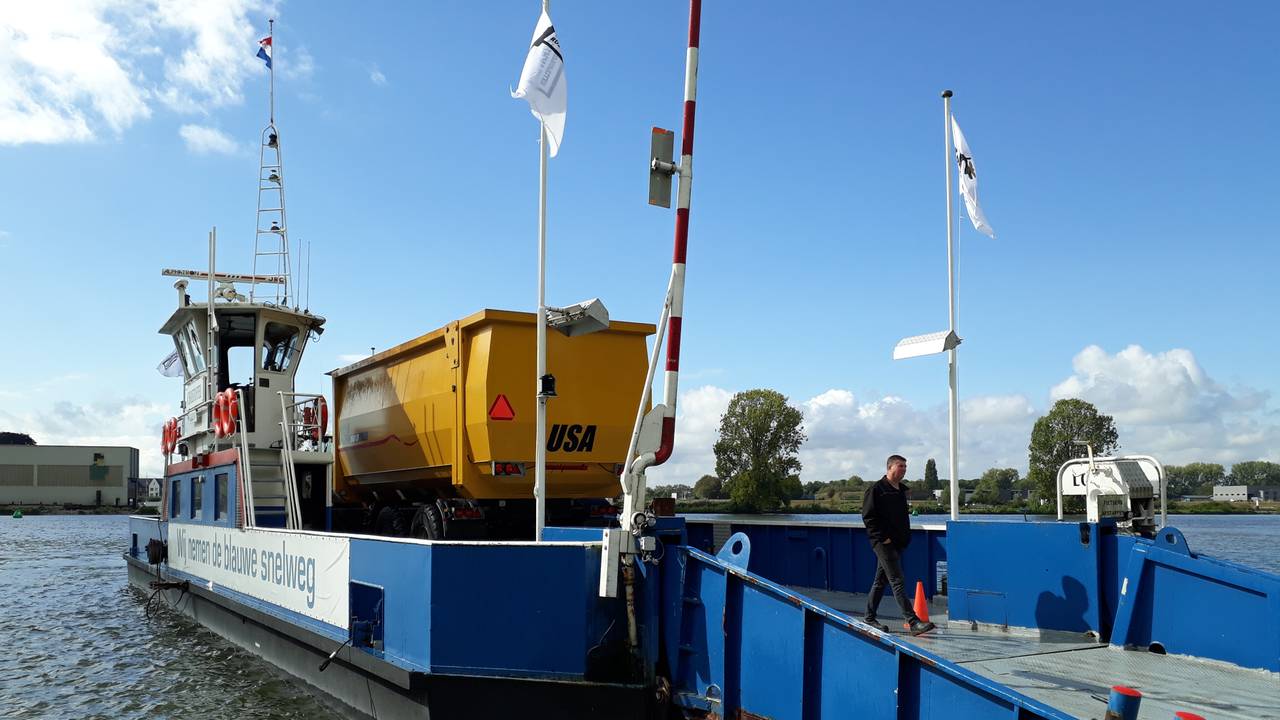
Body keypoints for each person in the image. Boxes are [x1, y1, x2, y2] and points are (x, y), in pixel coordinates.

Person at [861, 454, 935, 636]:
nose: (904, 469)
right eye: (900, 466)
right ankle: (913, 621)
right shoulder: (876, 490)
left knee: (880, 581)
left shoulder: (901, 490)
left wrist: (904, 537)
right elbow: (869, 518)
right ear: (890, 468)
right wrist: (883, 538)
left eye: (905, 466)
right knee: (897, 580)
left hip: (899, 542)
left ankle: (869, 617)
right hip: (883, 543)